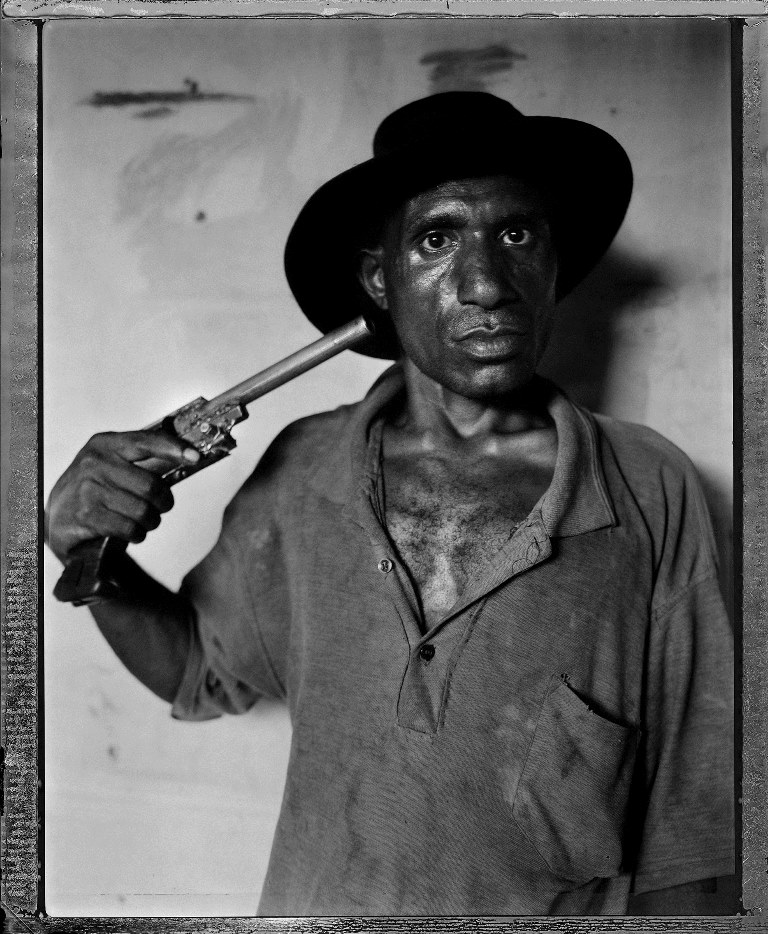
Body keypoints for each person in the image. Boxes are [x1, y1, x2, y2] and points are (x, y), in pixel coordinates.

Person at [46, 92, 734, 916]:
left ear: (554, 263)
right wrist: (92, 557)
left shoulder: (649, 486)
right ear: (381, 279)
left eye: (516, 234)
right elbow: (198, 670)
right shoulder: (304, 467)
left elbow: (695, 828)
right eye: (437, 240)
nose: (485, 285)